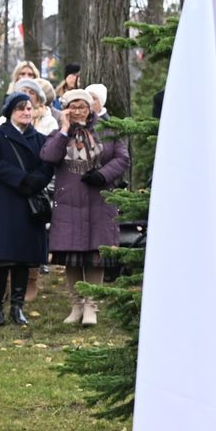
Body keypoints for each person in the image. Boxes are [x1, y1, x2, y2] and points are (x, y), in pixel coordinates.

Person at [40, 86, 129, 326]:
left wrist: (103, 175)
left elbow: (122, 158)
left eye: (83, 106)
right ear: (66, 109)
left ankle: (92, 306)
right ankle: (76, 305)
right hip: (69, 202)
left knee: (95, 255)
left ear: (91, 108)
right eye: (74, 106)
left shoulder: (107, 130)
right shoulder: (58, 133)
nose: (78, 111)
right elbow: (49, 156)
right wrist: (64, 130)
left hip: (99, 201)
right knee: (71, 257)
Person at [0, 92, 52, 327]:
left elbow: (47, 167)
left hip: (29, 203)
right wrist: (22, 179)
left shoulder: (40, 139)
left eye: (29, 108)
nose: (26, 112)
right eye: (20, 108)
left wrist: (35, 182)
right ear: (10, 112)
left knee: (23, 257)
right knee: (1, 258)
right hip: (4, 201)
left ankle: (17, 307)